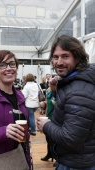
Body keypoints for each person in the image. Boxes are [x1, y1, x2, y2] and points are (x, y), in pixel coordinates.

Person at [36, 34, 95, 169]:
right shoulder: (75, 82)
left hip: (76, 164)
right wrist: (56, 91)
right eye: (56, 57)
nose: (59, 62)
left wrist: (46, 126)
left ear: (78, 58)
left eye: (65, 56)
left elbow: (71, 139)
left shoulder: (79, 91)